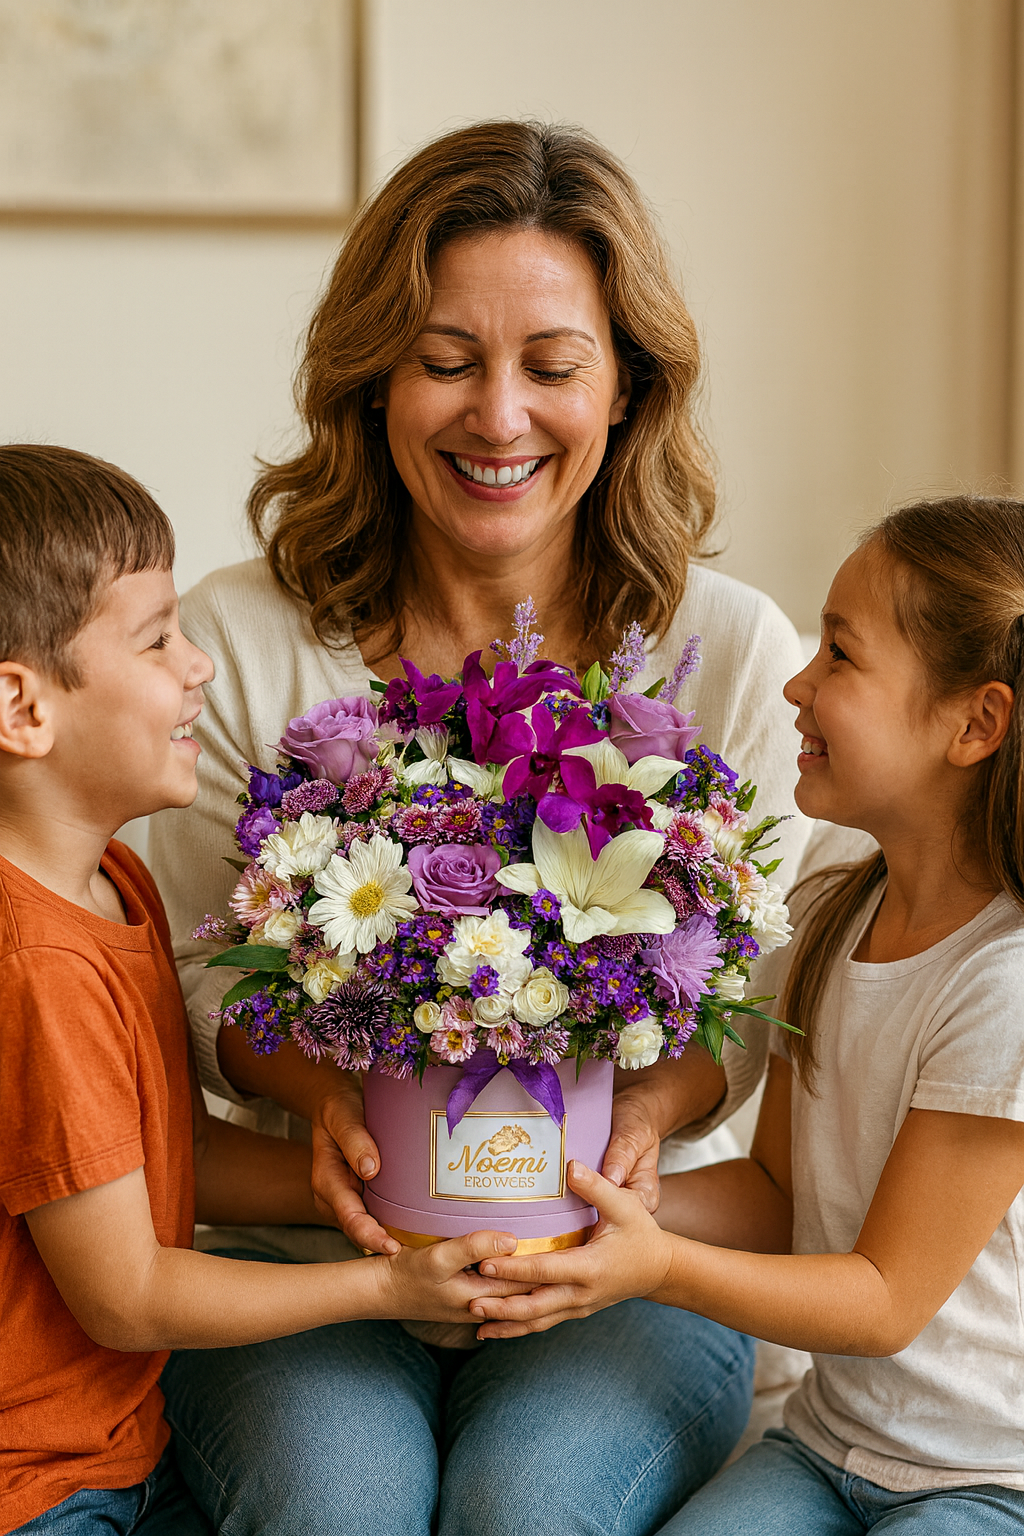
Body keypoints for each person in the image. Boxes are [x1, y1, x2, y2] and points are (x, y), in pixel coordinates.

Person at [148, 120, 810, 1535]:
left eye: (552, 366)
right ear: (373, 378)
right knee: (338, 1509)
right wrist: (335, 1115)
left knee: (530, 1510)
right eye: (446, 361)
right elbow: (207, 990)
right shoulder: (233, 642)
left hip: (621, 1258)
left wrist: (631, 1130)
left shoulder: (732, 650)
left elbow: (747, 1005)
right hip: (307, 1250)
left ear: (626, 386)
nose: (498, 417)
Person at [0, 445, 525, 1535]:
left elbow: (164, 1169)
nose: (199, 667)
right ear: (22, 707)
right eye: (155, 640)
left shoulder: (111, 879)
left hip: (116, 1453)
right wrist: (387, 1288)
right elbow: (129, 1292)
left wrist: (383, 1195)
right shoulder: (34, 966)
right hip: (41, 1489)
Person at [473, 497, 1024, 1532]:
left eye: (841, 656)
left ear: (976, 723)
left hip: (987, 1483)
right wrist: (589, 1186)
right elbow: (779, 1192)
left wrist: (658, 1267)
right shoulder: (828, 905)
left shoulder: (1006, 985)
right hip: (825, 1448)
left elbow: (885, 1300)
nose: (794, 683)